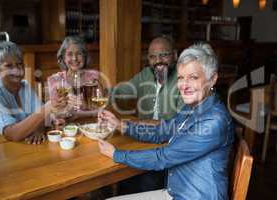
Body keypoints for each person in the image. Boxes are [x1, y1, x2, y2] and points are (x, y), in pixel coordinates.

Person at [98, 42, 234, 200]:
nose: (184, 85)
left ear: (212, 79)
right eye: (181, 78)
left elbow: (163, 157)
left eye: (193, 77)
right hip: (176, 192)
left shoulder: (214, 121)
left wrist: (116, 154)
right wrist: (120, 125)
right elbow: (160, 131)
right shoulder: (192, 107)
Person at [0, 41, 55, 144]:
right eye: (9, 66)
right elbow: (13, 134)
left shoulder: (24, 86)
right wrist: (48, 107)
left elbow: (41, 115)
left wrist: (37, 130)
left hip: (19, 141)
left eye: (19, 64)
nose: (17, 70)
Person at [111, 35, 184, 120]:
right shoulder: (146, 74)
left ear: (175, 55)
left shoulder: (183, 80)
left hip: (167, 132)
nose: (158, 60)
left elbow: (180, 123)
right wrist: (102, 93)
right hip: (141, 131)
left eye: (164, 55)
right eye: (153, 56)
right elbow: (121, 92)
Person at [47, 36, 100, 128]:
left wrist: (74, 115)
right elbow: (52, 113)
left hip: (91, 127)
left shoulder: (93, 77)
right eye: (70, 54)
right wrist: (58, 116)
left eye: (79, 53)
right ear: (63, 57)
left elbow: (99, 110)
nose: (74, 58)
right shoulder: (54, 80)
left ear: (85, 56)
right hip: (67, 129)